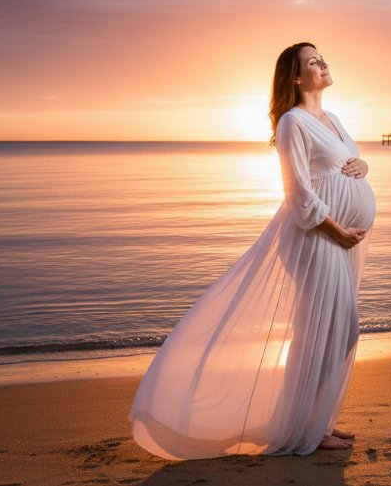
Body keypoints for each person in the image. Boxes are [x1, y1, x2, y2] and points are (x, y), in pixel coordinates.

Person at [130, 42, 376, 459]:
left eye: (322, 58)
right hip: (317, 238)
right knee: (330, 330)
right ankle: (305, 429)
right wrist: (336, 230)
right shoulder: (293, 122)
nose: (323, 64)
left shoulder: (332, 119)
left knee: (332, 331)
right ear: (295, 77)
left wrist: (363, 166)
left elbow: (346, 163)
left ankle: (315, 421)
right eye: (313, 61)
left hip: (342, 241)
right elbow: (298, 191)